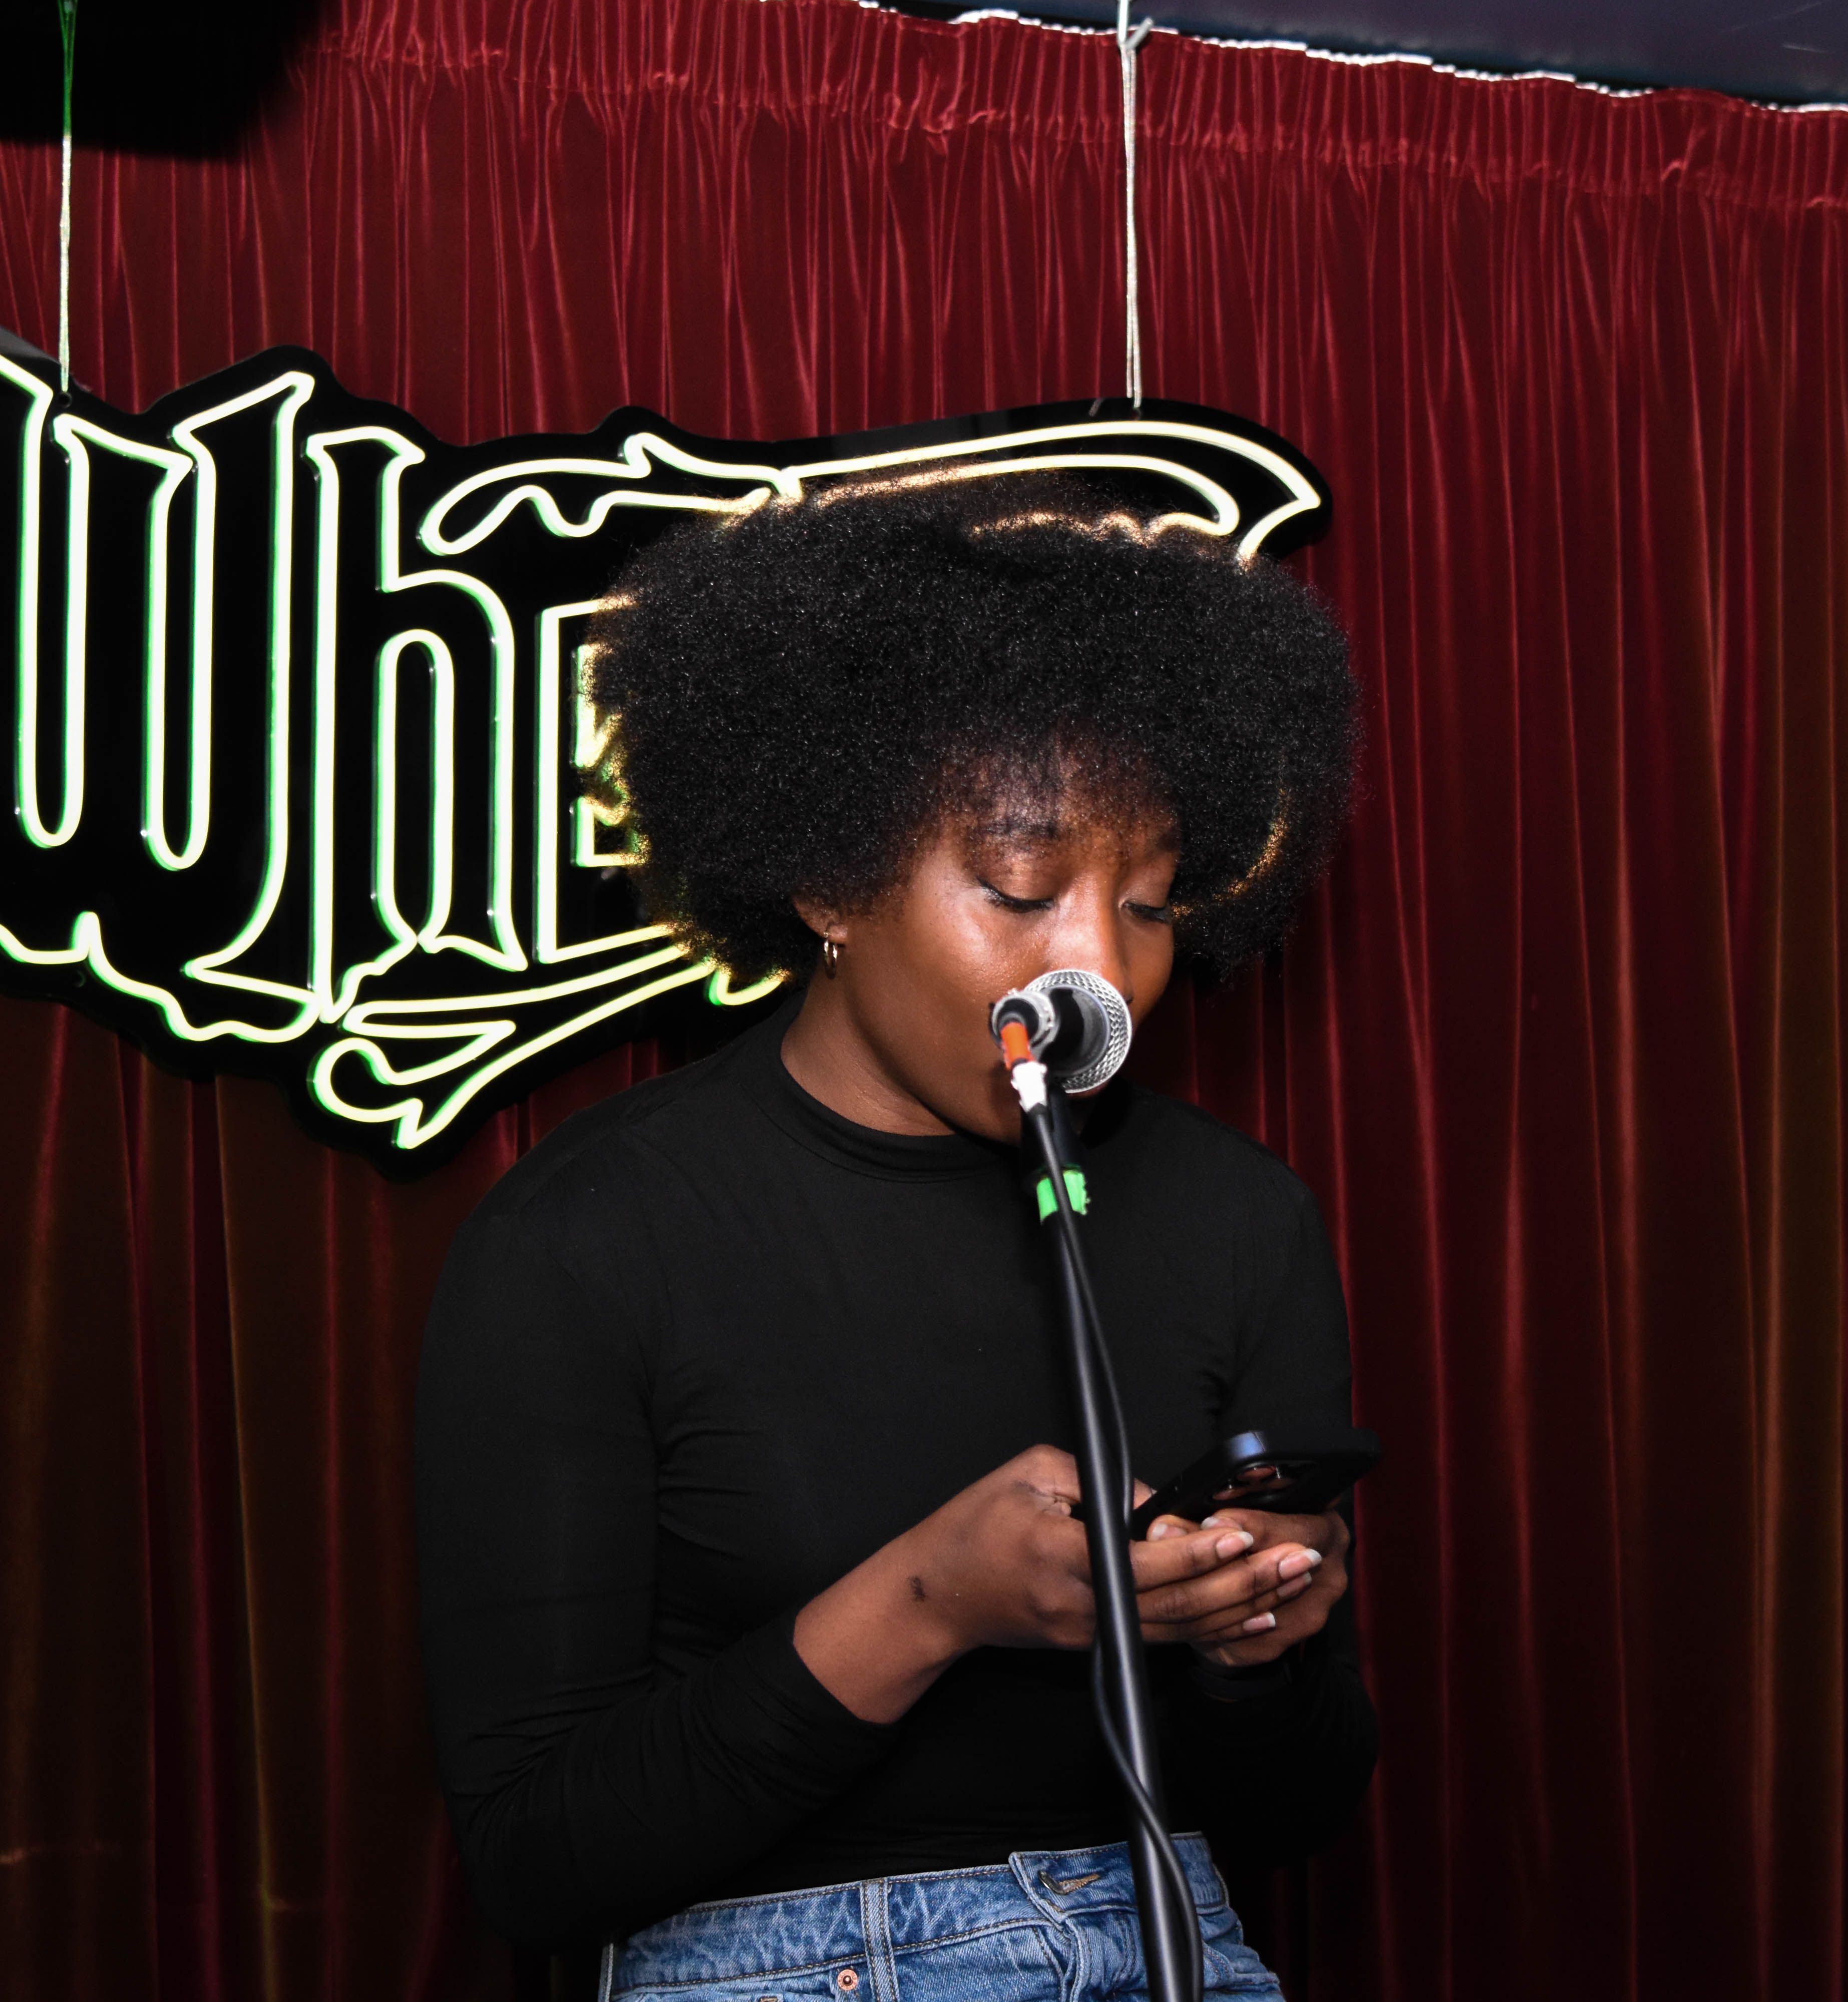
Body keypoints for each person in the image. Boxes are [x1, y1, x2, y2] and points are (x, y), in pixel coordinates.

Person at [415, 476, 1377, 2002]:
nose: (1098, 969)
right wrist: (930, 1602)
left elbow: (1301, 1814)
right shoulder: (587, 1238)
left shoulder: (1239, 1217)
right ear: (830, 880)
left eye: (1146, 904)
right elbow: (537, 1859)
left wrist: (1255, 1648)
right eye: (1020, 889)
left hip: (1172, 1941)